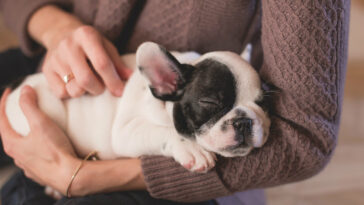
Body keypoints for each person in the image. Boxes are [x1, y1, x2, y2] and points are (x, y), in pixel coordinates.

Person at [0, 0, 350, 205]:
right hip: (57, 77)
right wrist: (53, 26)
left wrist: (83, 176)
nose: (244, 120)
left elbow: (305, 138)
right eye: (215, 106)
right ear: (164, 83)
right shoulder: (170, 81)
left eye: (260, 104)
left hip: (148, 169)